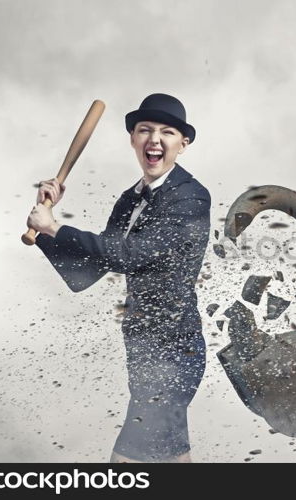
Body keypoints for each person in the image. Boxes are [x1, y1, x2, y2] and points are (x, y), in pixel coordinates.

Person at [27, 93, 211, 463]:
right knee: (172, 455)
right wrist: (46, 229)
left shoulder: (190, 198)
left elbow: (133, 255)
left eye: (167, 132)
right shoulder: (130, 199)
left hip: (174, 352)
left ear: (183, 144)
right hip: (143, 349)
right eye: (145, 130)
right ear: (133, 139)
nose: (154, 140)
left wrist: (56, 228)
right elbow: (87, 270)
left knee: (126, 462)